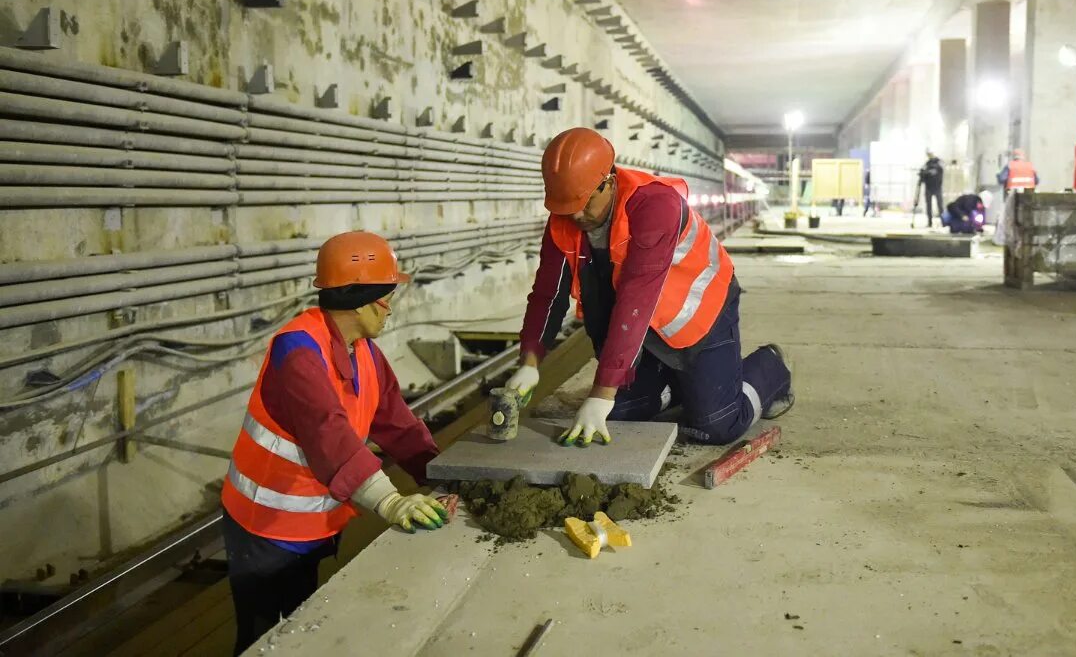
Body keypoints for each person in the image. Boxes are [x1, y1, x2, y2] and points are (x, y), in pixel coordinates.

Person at [220, 231, 449, 654]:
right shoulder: (298, 351)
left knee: (300, 632)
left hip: (311, 524)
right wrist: (391, 501)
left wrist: (443, 476)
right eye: (386, 298)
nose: (390, 309)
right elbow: (329, 432)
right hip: (265, 529)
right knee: (261, 639)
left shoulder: (361, 350)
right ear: (360, 301)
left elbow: (395, 421)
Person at [506, 128, 793, 447]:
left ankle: (770, 366)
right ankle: (681, 385)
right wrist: (530, 360)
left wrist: (602, 392)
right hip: (641, 328)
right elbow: (548, 294)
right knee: (616, 415)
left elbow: (636, 301)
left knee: (715, 427)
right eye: (565, 205)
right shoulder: (566, 218)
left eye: (583, 202)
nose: (575, 214)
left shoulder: (655, 206)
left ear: (609, 182)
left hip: (699, 317)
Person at [918, 150, 945, 228]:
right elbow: (922, 172)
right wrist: (925, 173)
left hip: (937, 187)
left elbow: (940, 170)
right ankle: (929, 222)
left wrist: (929, 172)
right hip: (929, 188)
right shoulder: (927, 163)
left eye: (930, 154)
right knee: (928, 206)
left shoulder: (939, 162)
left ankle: (943, 222)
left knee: (940, 206)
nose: (930, 155)